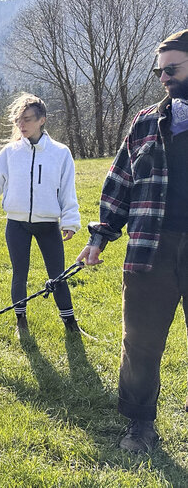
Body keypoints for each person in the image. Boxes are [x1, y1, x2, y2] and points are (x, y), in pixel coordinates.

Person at [78, 28, 188, 454]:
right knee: (140, 342)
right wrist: (100, 236)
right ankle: (140, 424)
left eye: (172, 69)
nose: (163, 78)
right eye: (159, 71)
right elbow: (120, 182)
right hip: (150, 247)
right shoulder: (145, 121)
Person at [0, 93, 81, 334]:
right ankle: (21, 321)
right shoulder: (10, 153)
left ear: (42, 120)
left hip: (48, 225)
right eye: (18, 120)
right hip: (17, 224)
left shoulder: (60, 153)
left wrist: (69, 221)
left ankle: (70, 323)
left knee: (58, 275)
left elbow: (68, 191)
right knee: (19, 274)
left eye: (27, 119)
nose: (21, 125)